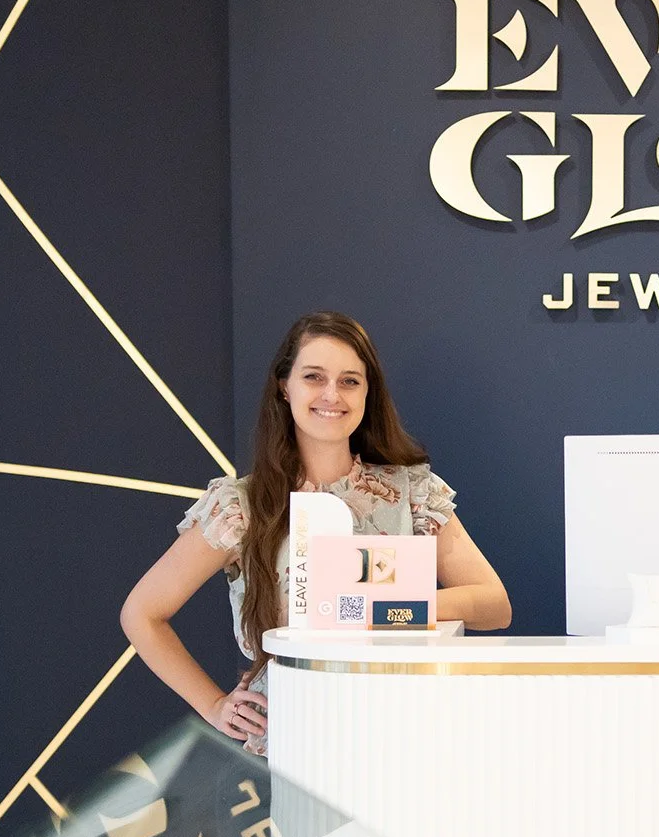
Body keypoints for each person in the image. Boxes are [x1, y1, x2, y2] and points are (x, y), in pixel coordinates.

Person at [121, 311, 510, 754]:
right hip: (294, 741)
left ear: (368, 393)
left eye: (350, 381)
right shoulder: (241, 507)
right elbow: (142, 614)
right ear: (284, 387)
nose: (332, 395)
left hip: (405, 734)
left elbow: (494, 604)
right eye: (314, 377)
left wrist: (379, 609)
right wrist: (213, 705)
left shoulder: (410, 492)